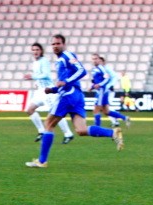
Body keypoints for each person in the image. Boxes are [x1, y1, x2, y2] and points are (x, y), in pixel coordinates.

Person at [25, 35, 124, 169]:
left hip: (68, 95)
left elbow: (82, 71)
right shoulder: (60, 60)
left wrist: (65, 82)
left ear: (64, 44)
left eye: (58, 43)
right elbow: (64, 81)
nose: (55, 46)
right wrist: (53, 89)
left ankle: (42, 161)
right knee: (81, 130)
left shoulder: (67, 55)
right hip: (76, 95)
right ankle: (112, 133)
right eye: (53, 44)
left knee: (48, 124)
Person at [24, 42, 74, 144]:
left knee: (56, 113)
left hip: (48, 91)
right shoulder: (35, 63)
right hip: (40, 91)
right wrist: (37, 83)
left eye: (37, 50)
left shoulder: (44, 61)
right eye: (33, 50)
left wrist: (33, 77)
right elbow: (39, 75)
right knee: (29, 110)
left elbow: (46, 75)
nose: (35, 52)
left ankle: (68, 133)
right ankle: (41, 131)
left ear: (41, 51)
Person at [90, 54, 130, 128]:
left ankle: (97, 128)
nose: (94, 60)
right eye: (93, 59)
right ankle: (125, 118)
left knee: (96, 110)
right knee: (106, 111)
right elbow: (97, 80)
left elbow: (108, 78)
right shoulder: (95, 69)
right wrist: (92, 86)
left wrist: (102, 85)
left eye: (96, 59)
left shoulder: (102, 68)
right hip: (101, 91)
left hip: (102, 91)